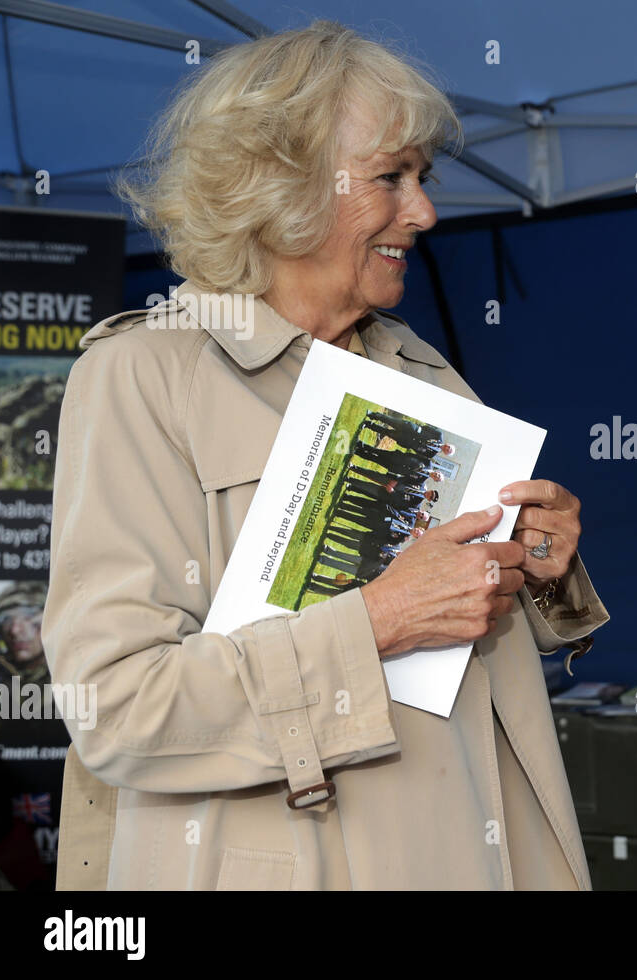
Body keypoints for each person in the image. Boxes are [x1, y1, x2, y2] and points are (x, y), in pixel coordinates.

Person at [42, 21, 607, 890]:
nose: (423, 212)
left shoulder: (421, 365)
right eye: (391, 177)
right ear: (280, 185)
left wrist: (533, 569)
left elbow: (463, 664)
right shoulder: (143, 375)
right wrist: (374, 623)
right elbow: (119, 710)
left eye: (424, 178)